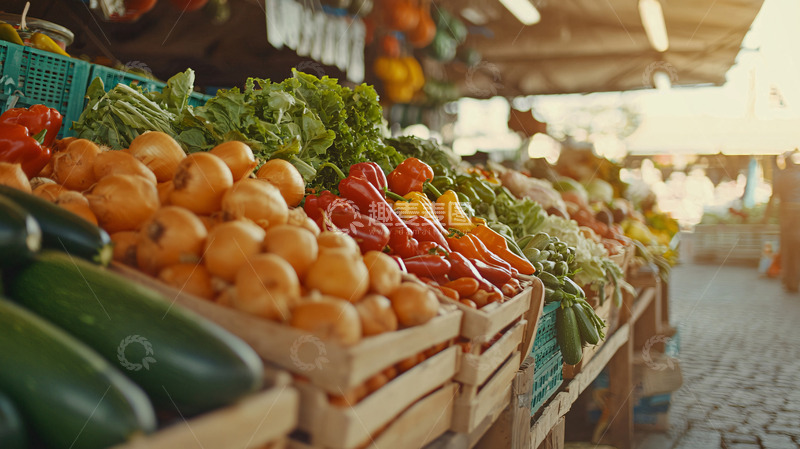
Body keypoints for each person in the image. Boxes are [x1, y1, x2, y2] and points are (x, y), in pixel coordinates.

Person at [765, 150, 800, 292]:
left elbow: (773, 197)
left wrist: (766, 216)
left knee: (788, 248)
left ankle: (790, 280)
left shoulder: (782, 176)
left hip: (788, 214)